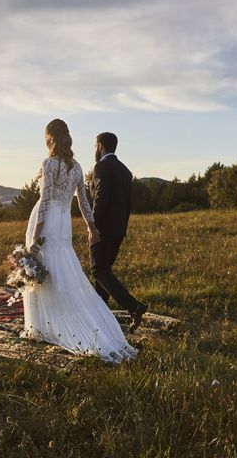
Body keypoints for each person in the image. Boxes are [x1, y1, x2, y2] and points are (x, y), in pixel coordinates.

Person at [22, 119, 137, 363]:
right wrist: (91, 227)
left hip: (48, 220)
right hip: (63, 222)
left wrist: (34, 237)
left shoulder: (50, 164)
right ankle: (52, 322)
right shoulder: (76, 168)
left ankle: (49, 325)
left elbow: (44, 202)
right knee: (61, 268)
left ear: (50, 138)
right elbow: (84, 203)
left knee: (47, 269)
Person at [90, 132, 148, 332]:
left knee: (98, 270)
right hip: (118, 229)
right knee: (103, 272)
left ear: (100, 146)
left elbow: (101, 199)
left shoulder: (101, 167)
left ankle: (134, 306)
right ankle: (100, 317)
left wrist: (93, 226)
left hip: (103, 228)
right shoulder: (125, 170)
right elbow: (127, 204)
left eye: (95, 146)